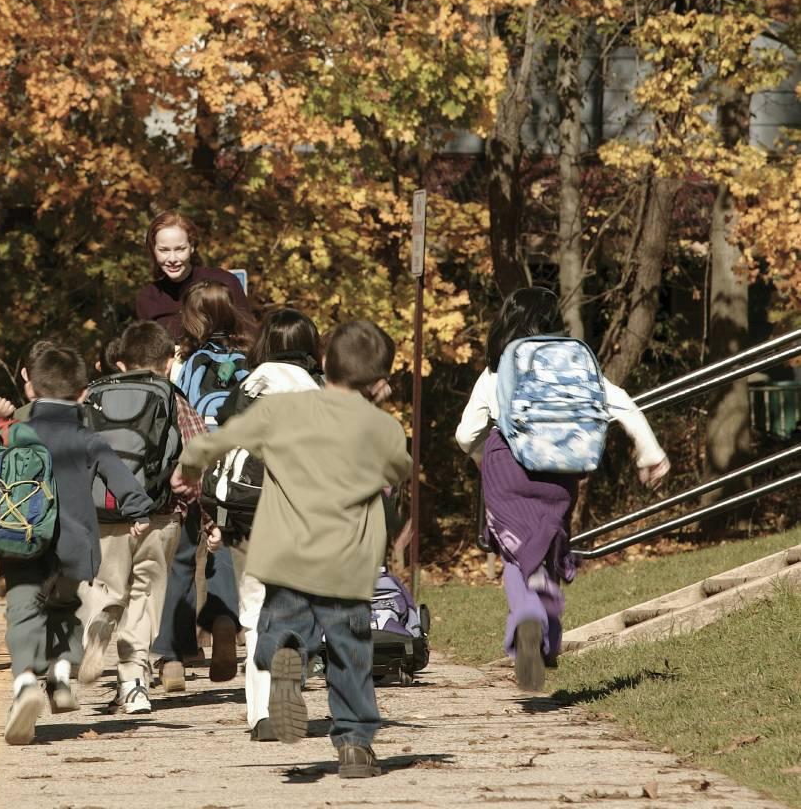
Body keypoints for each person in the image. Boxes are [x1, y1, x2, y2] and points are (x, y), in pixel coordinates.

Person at [177, 320, 409, 778]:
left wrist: (187, 466)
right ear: (378, 380)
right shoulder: (379, 426)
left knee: (282, 620)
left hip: (284, 550)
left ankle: (283, 663)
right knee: (349, 651)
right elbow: (397, 468)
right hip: (346, 558)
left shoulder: (281, 412)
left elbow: (218, 440)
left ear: (326, 364)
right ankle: (356, 746)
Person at [454, 287, 669, 691]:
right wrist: (650, 453)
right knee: (548, 548)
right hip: (562, 470)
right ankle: (547, 630)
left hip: (507, 467)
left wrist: (483, 455)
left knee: (517, 555)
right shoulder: (572, 361)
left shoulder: (498, 369)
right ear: (555, 319)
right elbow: (620, 402)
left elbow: (466, 434)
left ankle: (527, 620)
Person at [0, 342, 155, 745]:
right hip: (75, 547)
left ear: (30, 390)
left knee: (24, 613)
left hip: (21, 538)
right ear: (83, 394)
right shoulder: (87, 438)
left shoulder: (13, 429)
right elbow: (122, 479)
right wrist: (139, 512)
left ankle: (27, 681)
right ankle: (62, 674)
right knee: (66, 612)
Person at [76, 321, 208, 714]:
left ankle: (100, 620)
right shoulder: (171, 394)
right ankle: (134, 684)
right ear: (169, 362)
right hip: (159, 514)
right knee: (145, 596)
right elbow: (199, 445)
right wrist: (192, 489)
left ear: (120, 361)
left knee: (109, 588)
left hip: (105, 513)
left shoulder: (94, 394)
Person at [208, 307, 323, 741]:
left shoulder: (250, 383)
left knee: (254, 610)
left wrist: (217, 518)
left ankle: (261, 715)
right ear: (312, 347)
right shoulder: (319, 387)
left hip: (248, 512)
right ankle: (287, 682)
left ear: (264, 345)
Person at [152, 281, 248, 690]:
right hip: (234, 462)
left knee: (183, 552)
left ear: (192, 321)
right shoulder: (245, 359)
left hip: (197, 458)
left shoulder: (189, 362)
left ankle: (173, 654)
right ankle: (224, 618)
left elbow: (182, 412)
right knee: (221, 542)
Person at [135, 210, 254, 340]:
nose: (172, 258)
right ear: (153, 250)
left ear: (191, 247)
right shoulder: (148, 298)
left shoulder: (224, 282)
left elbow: (249, 337)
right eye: (164, 250)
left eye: (180, 249)